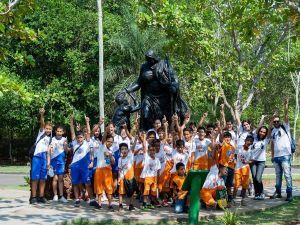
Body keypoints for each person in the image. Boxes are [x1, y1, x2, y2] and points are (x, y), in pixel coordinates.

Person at [69, 114, 96, 207]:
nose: (79, 139)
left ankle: (92, 199)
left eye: (81, 137)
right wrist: (71, 121)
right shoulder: (74, 142)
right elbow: (72, 131)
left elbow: (88, 132)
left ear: (84, 137)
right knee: (75, 183)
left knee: (87, 183)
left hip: (84, 166)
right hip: (75, 166)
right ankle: (77, 200)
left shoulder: (87, 142)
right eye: (78, 137)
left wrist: (87, 121)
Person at [270, 98, 293, 202]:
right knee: (278, 175)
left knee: (287, 174)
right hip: (276, 157)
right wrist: (272, 156)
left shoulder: (285, 127)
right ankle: (278, 192)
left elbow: (286, 117)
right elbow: (272, 144)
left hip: (285, 155)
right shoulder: (272, 130)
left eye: (277, 121)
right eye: (275, 121)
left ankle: (289, 193)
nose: (276, 122)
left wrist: (286, 106)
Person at [30, 108, 53, 204]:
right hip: (37, 157)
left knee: (43, 178)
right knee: (35, 178)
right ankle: (33, 197)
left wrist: (48, 162)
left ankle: (41, 196)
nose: (47, 130)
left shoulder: (50, 139)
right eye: (46, 128)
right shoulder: (41, 133)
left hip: (44, 158)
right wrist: (42, 115)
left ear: (51, 130)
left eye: (49, 129)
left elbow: (49, 152)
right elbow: (42, 124)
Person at [250, 116, 273, 200]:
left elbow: (269, 128)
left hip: (261, 162)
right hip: (252, 161)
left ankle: (261, 193)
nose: (262, 133)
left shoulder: (266, 139)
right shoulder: (255, 137)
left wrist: (272, 118)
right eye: (261, 131)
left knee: (258, 178)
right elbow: (258, 128)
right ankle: (257, 194)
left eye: (264, 132)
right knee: (254, 178)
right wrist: (262, 118)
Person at [93, 134, 115, 210]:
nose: (110, 143)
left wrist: (111, 155)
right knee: (99, 188)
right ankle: (99, 204)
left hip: (107, 170)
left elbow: (113, 162)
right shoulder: (102, 147)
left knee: (109, 188)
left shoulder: (111, 150)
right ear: (105, 141)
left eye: (111, 142)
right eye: (108, 141)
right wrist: (106, 130)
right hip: (99, 169)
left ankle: (110, 204)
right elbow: (103, 138)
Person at [140, 133, 161, 210]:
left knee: (153, 191)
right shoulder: (146, 157)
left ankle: (152, 203)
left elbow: (158, 171)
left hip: (154, 177)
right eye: (150, 150)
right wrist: (145, 137)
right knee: (146, 190)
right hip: (148, 177)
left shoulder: (157, 160)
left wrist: (158, 180)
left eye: (153, 150)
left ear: (155, 151)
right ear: (148, 151)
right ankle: (144, 203)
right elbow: (144, 146)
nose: (152, 151)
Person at [48, 125, 68, 203]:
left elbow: (66, 151)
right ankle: (55, 195)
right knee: (55, 178)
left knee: (60, 179)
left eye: (61, 131)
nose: (59, 133)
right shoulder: (52, 139)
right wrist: (49, 162)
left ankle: (61, 196)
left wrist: (66, 145)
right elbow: (50, 151)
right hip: (54, 161)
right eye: (58, 131)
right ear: (55, 131)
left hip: (61, 161)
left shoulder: (64, 139)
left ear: (63, 132)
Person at [233, 135, 254, 206]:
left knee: (245, 185)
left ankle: (243, 200)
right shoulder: (239, 147)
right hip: (238, 168)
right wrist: (235, 161)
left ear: (252, 143)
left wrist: (247, 162)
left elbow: (252, 160)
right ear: (245, 140)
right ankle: (234, 199)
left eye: (251, 141)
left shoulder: (251, 151)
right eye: (248, 140)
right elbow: (235, 155)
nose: (249, 142)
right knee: (236, 185)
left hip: (246, 169)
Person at [218, 131, 236, 205]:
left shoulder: (233, 146)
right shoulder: (223, 144)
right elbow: (221, 139)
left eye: (229, 137)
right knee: (223, 183)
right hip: (224, 166)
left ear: (231, 138)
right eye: (226, 137)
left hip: (231, 167)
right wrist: (220, 128)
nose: (227, 138)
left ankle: (229, 198)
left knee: (229, 184)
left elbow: (233, 156)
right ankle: (222, 201)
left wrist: (234, 160)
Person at [118, 143, 136, 211]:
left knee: (131, 192)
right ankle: (120, 205)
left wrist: (136, 139)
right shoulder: (120, 159)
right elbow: (119, 169)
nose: (124, 150)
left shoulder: (130, 156)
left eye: (125, 149)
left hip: (130, 177)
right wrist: (119, 178)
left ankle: (131, 205)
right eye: (122, 149)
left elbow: (133, 147)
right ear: (120, 151)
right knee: (121, 192)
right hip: (123, 177)